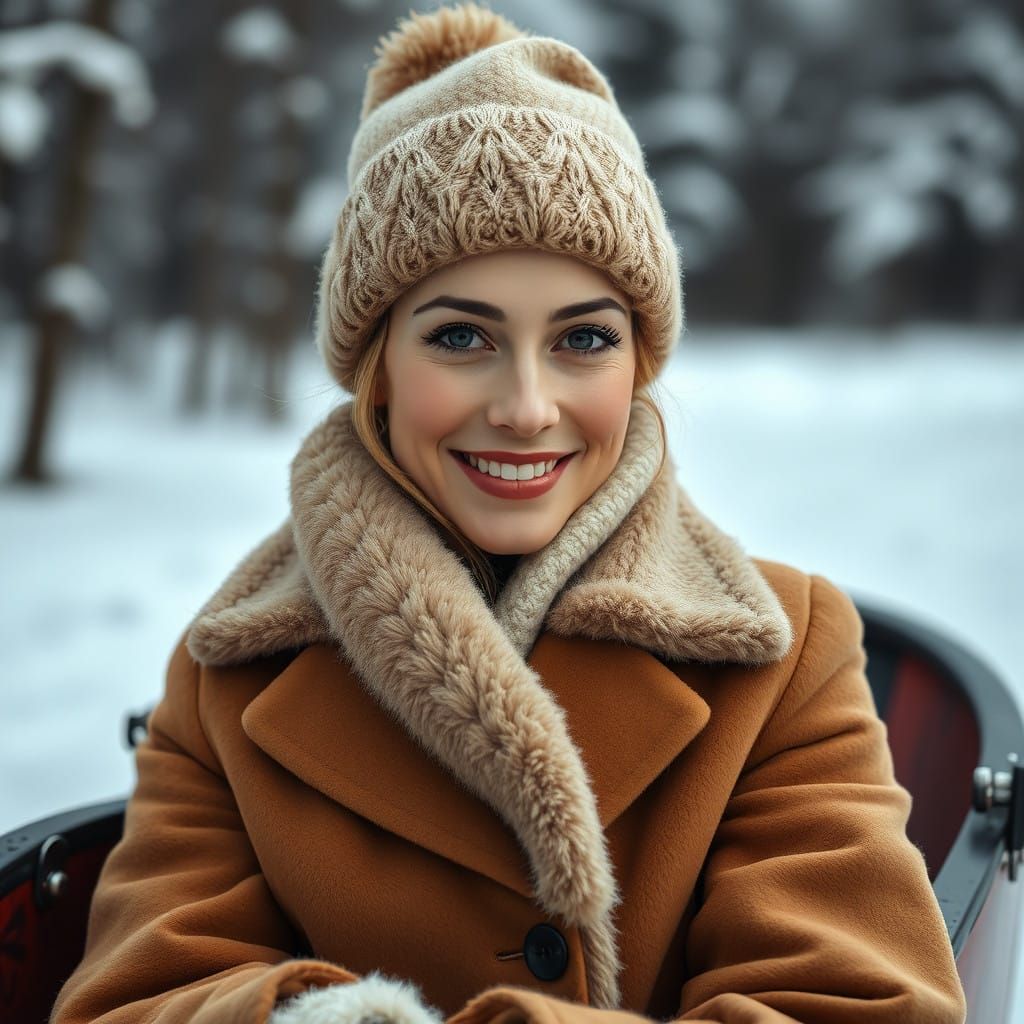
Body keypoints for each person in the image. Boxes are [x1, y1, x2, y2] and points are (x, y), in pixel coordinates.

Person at [52, 5, 967, 1023]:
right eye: (460, 337)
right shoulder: (229, 677)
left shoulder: (783, 658)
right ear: (377, 368)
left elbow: (854, 1003)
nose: (527, 409)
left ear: (638, 363)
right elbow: (140, 996)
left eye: (583, 340)